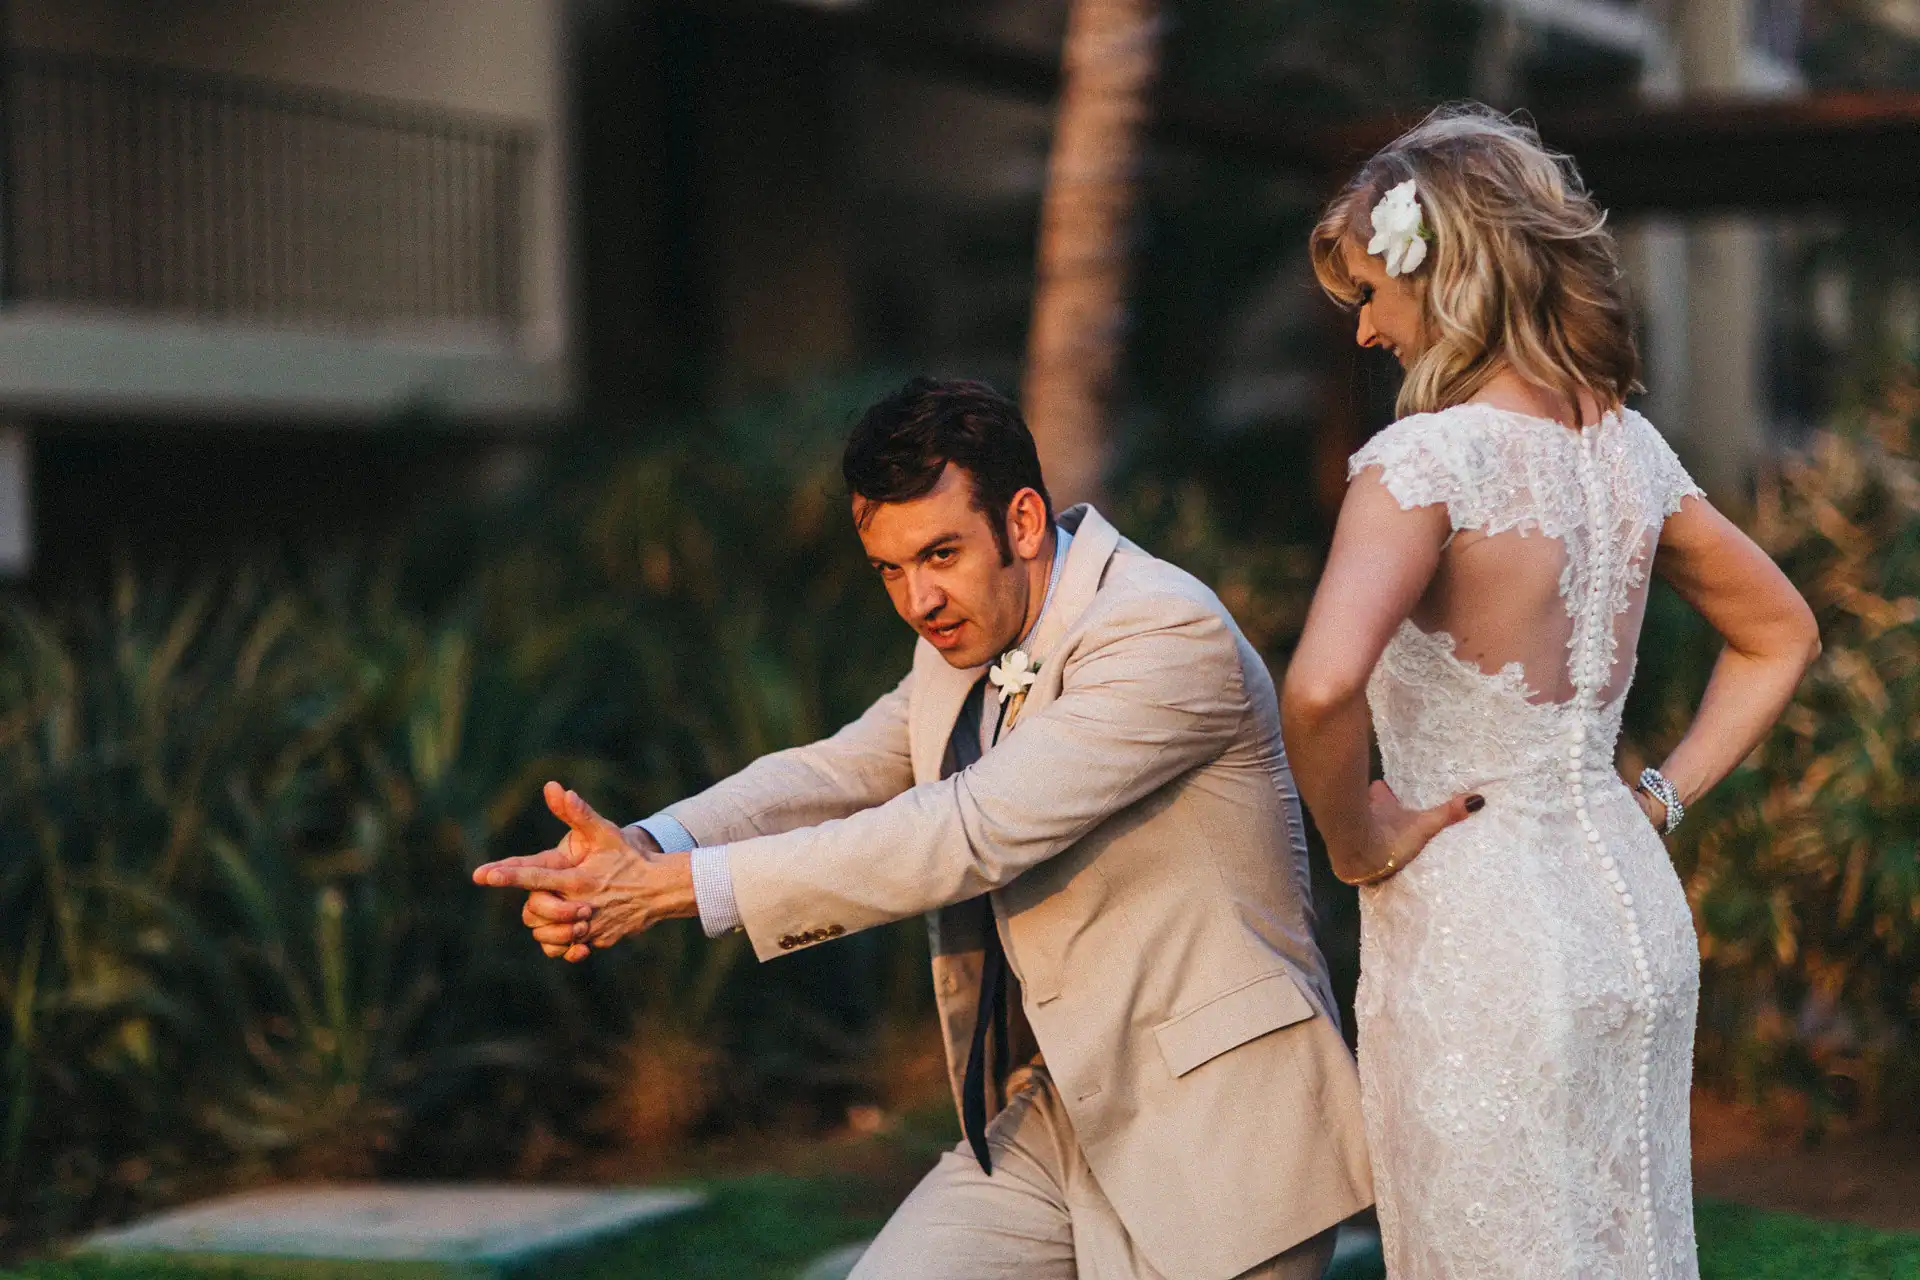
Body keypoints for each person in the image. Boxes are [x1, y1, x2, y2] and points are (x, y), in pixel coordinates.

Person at [473, 378, 1370, 1280]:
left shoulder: (1163, 633)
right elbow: (840, 772)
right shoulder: (961, 640)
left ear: (1023, 521)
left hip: (1217, 1130)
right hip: (1054, 1115)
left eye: (941, 555)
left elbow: (965, 831)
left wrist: (681, 893)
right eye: (892, 570)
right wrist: (651, 846)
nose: (918, 600)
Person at [1280, 104, 1822, 1279]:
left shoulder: (1422, 462)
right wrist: (1660, 800)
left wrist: (1357, 834)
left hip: (1483, 942)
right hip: (1632, 917)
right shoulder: (1628, 448)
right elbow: (1781, 631)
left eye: (1372, 290)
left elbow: (1320, 686)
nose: (1366, 329)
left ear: (1449, 273)